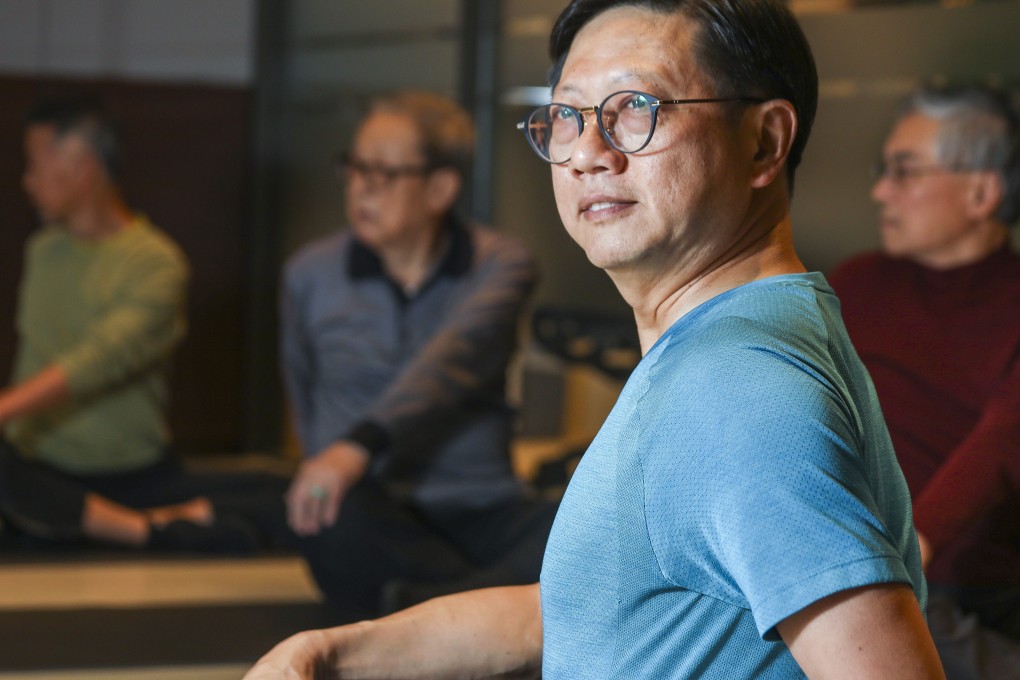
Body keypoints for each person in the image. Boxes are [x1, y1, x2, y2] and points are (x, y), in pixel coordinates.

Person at [246, 1, 945, 677]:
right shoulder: (732, 339)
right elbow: (587, 612)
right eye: (567, 116)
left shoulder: (733, 387)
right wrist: (327, 653)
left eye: (636, 108)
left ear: (763, 141)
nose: (586, 153)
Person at [280, 90, 557, 618]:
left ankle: (420, 611)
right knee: (327, 520)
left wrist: (358, 444)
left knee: (586, 529)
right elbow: (301, 390)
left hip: (482, 508)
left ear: (439, 189)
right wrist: (327, 465)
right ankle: (480, 611)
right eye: (355, 167)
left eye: (383, 173)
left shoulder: (501, 264)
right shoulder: (308, 274)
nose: (361, 187)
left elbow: (448, 363)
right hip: (370, 507)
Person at [0, 93, 282, 552]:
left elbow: (97, 360)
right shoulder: (43, 250)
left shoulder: (156, 262)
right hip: (36, 468)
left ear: (82, 168)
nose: (27, 181)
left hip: (127, 473)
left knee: (277, 493)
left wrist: (5, 408)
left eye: (35, 165)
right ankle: (143, 527)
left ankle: (127, 524)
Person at [829, 83, 1020, 678]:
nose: (880, 191)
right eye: (883, 171)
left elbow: (1001, 446)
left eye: (905, 172)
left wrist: (905, 555)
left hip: (960, 587)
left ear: (982, 192)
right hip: (846, 567)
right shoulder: (855, 285)